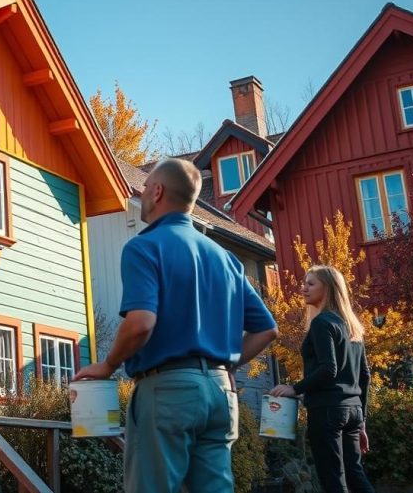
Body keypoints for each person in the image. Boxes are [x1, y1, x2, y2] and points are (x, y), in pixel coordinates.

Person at [73, 158, 279, 493]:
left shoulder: (144, 246)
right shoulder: (224, 257)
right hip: (220, 393)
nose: (140, 190)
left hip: (168, 392)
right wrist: (226, 366)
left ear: (157, 191)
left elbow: (141, 323)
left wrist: (108, 365)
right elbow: (266, 329)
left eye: (146, 184)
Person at [270, 265, 375, 493]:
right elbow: (364, 376)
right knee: (355, 475)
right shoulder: (352, 327)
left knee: (333, 478)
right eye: (304, 283)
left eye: (310, 283)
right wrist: (362, 421)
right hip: (353, 411)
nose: (303, 288)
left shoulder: (322, 323)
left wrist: (294, 388)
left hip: (328, 410)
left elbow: (329, 369)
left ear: (327, 288)